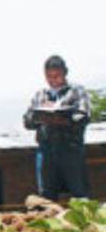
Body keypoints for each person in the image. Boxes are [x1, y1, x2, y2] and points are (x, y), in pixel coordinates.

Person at [23, 55, 91, 200]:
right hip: (46, 149)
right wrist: (40, 117)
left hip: (70, 148)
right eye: (49, 76)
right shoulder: (40, 95)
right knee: (46, 194)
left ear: (65, 73)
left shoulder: (77, 91)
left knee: (79, 191)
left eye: (57, 76)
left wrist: (63, 119)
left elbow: (83, 116)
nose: (53, 79)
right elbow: (27, 120)